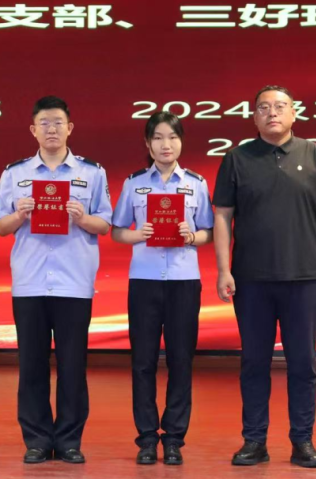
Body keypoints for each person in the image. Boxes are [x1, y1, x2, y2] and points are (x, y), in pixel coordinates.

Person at [212, 85, 316, 469]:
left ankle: (303, 441)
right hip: (251, 279)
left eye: (280, 106)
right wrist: (223, 269)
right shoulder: (237, 158)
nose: (273, 113)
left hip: (304, 278)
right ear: (254, 116)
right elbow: (222, 216)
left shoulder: (315, 154)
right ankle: (254, 441)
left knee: (303, 363)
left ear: (293, 114)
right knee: (254, 362)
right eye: (264, 107)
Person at [0, 96, 112, 465]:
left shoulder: (92, 173)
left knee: (72, 365)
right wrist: (19, 214)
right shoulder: (15, 174)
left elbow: (105, 224)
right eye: (44, 123)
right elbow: (1, 226)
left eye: (58, 122)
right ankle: (37, 440)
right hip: (30, 281)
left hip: (74, 281)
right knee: (32, 365)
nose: (52, 129)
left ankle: (70, 440)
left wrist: (82, 218)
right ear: (33, 130)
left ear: (70, 128)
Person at [110, 111, 214, 466]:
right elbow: (117, 230)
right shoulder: (135, 183)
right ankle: (145, 438)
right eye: (158, 137)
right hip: (145, 280)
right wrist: (137, 234)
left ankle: (173, 439)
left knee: (181, 361)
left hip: (184, 281)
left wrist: (192, 236)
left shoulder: (196, 183)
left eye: (172, 137)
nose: (165, 144)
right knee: (143, 362)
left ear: (181, 141)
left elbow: (209, 232)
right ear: (148, 143)